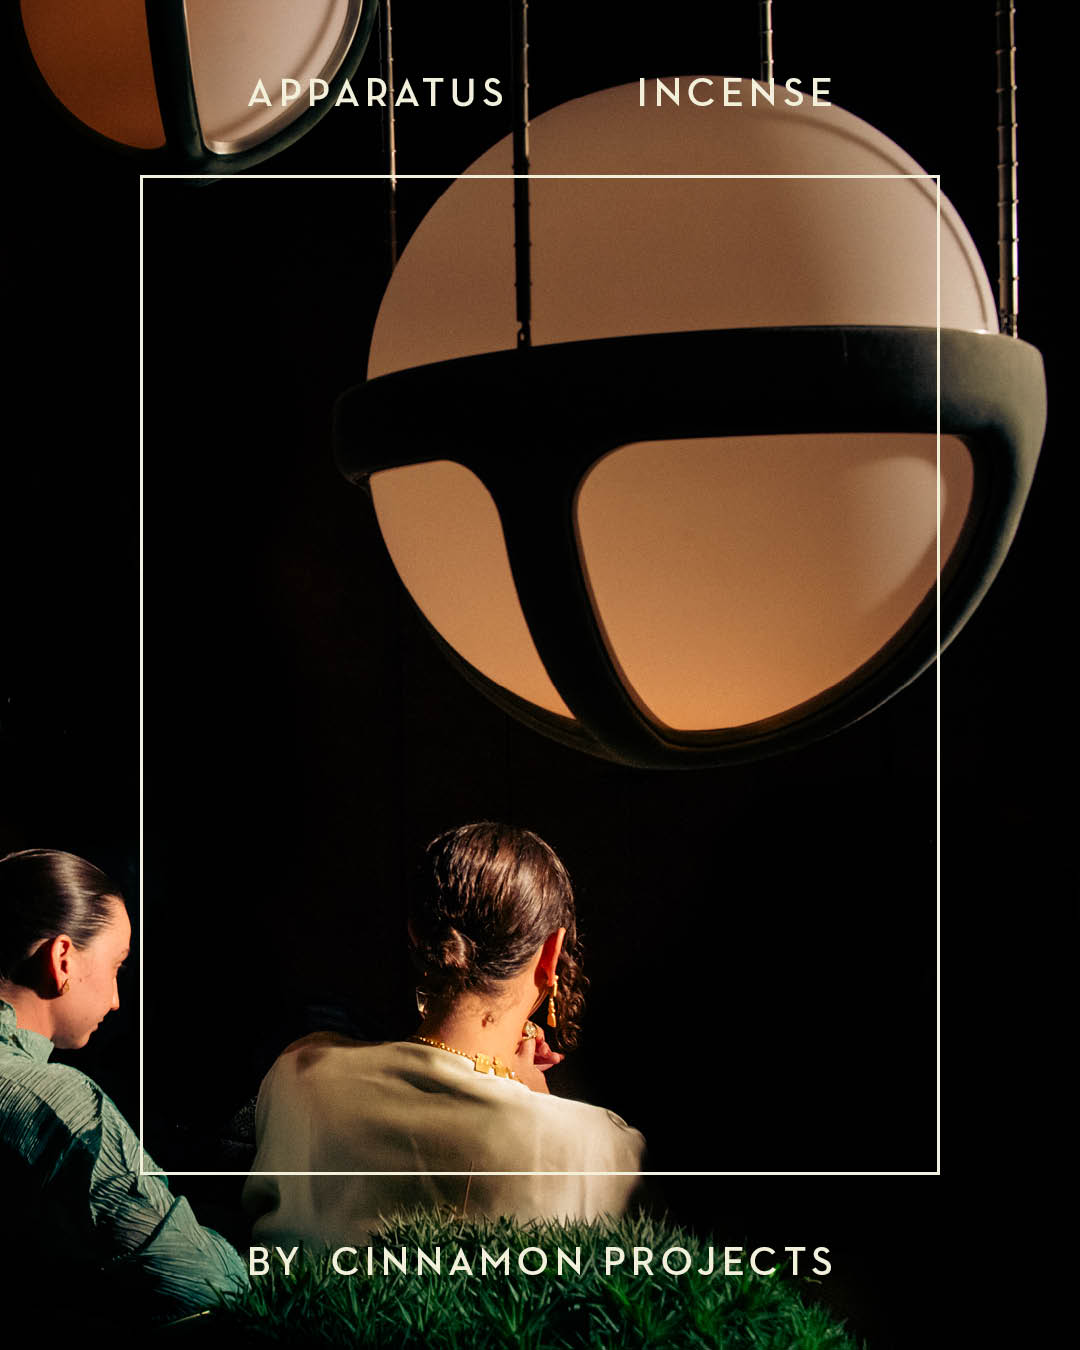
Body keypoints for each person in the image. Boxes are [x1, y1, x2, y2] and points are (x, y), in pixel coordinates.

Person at [244, 822, 644, 1248]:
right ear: (550, 955)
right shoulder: (604, 1152)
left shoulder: (297, 1076)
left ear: (416, 933)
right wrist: (541, 1107)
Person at [0, 848, 247, 1320]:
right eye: (117, 966)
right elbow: (210, 1285)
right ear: (63, 959)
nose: (116, 1000)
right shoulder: (62, 1106)